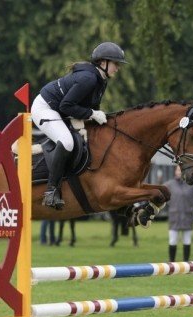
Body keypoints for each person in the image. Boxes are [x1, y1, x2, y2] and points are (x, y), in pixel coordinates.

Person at [31, 41, 128, 210]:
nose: (118, 68)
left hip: (60, 111)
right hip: (45, 108)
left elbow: (91, 108)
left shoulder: (101, 80)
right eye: (115, 64)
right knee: (67, 142)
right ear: (103, 63)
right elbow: (66, 106)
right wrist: (92, 114)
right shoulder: (88, 79)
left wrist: (99, 116)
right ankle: (51, 191)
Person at [165, 165, 193, 262]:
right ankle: (172, 263)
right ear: (175, 171)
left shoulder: (191, 184)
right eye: (178, 170)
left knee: (187, 240)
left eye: (181, 170)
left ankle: (186, 263)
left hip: (187, 216)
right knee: (172, 240)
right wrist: (169, 203)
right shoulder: (169, 184)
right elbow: (161, 193)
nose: (179, 172)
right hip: (174, 217)